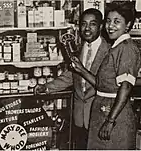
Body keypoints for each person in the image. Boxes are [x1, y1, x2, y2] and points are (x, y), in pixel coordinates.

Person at [34, 8, 109, 149]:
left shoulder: (109, 51)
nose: (87, 28)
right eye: (83, 24)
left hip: (99, 115)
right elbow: (71, 76)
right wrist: (47, 87)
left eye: (92, 24)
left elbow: (107, 85)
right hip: (79, 117)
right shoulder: (78, 48)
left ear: (100, 26)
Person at [71, 1, 140, 149]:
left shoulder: (127, 48)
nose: (110, 26)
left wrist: (110, 121)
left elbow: (126, 87)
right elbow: (101, 84)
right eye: (108, 21)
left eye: (117, 22)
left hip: (114, 115)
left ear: (128, 25)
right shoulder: (116, 47)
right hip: (102, 112)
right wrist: (81, 69)